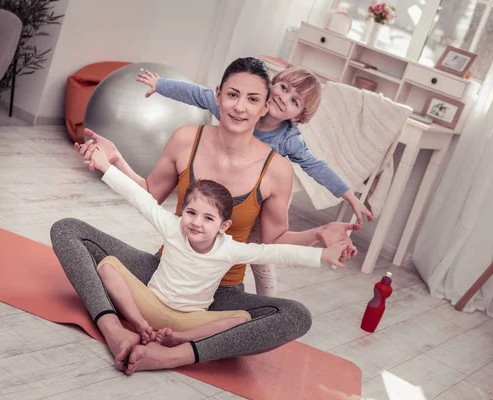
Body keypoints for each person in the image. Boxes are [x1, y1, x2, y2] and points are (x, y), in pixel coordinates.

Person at [51, 57, 360, 376]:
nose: (240, 107)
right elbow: (148, 194)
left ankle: (174, 354)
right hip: (163, 272)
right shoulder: (187, 139)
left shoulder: (277, 170)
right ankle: (114, 331)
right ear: (217, 96)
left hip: (220, 292)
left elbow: (274, 242)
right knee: (67, 230)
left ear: (265, 106)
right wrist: (114, 160)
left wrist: (319, 234)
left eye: (252, 99)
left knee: (296, 316)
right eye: (233, 95)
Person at [136, 66, 373, 296]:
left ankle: (264, 303)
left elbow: (316, 166)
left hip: (258, 203)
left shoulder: (288, 140)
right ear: (271, 86)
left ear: (299, 116)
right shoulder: (237, 108)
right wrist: (161, 85)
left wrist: (349, 196)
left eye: (295, 101)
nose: (284, 98)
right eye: (283, 88)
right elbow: (197, 94)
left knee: (262, 260)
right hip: (219, 195)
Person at [86, 145, 348, 349]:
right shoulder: (173, 226)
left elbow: (274, 251)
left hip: (190, 322)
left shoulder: (230, 249)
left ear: (224, 226)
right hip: (149, 304)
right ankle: (140, 326)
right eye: (191, 212)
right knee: (107, 265)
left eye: (208, 218)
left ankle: (178, 340)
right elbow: (141, 199)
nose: (196, 223)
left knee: (241, 318)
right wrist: (104, 166)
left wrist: (324, 254)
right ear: (183, 211)